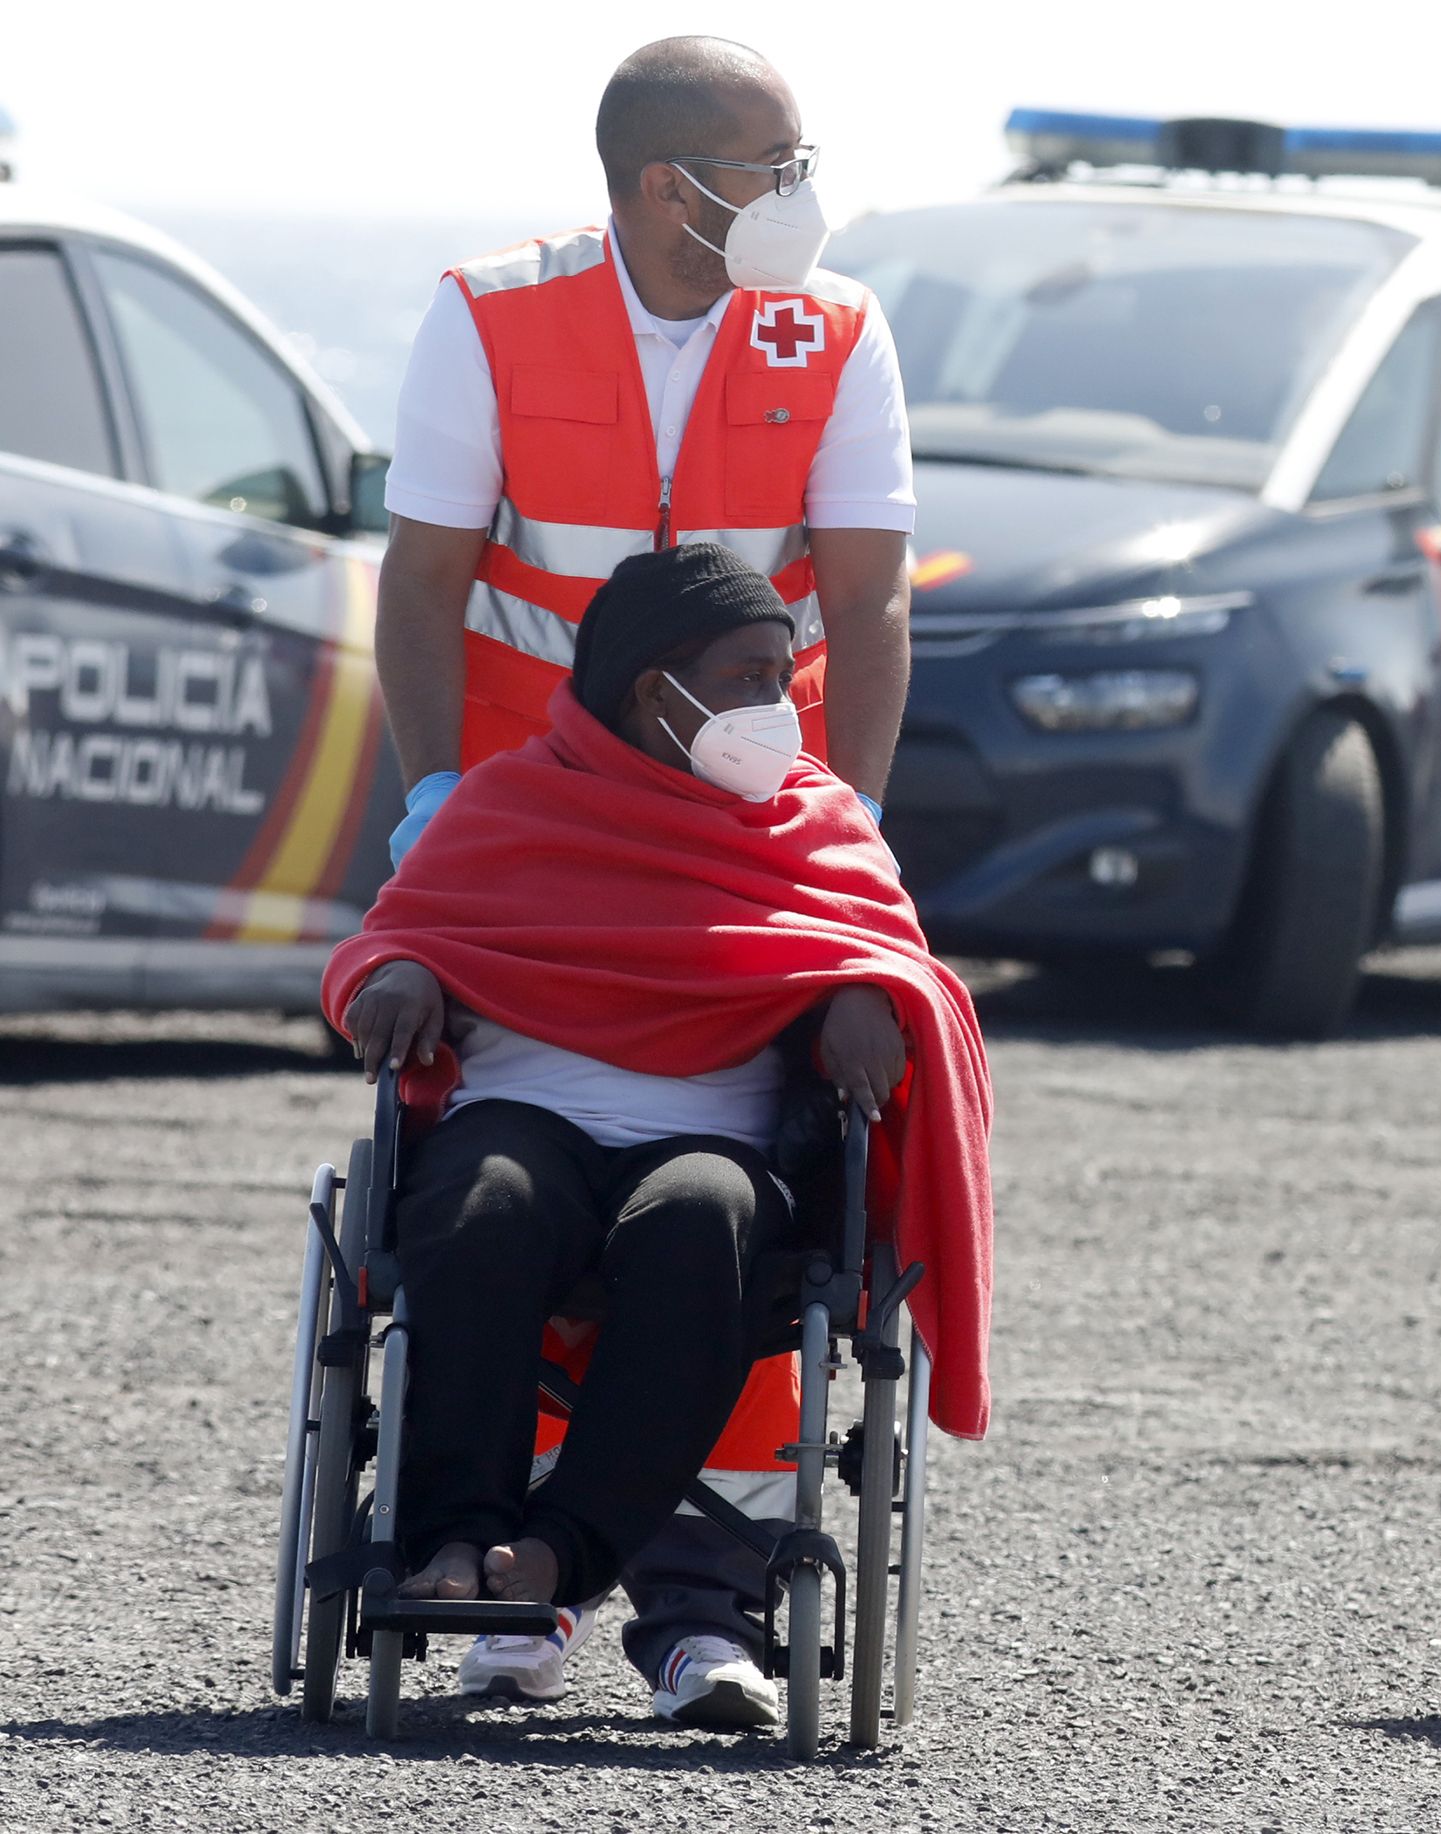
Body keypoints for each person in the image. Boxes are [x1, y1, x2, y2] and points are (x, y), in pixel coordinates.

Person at [370, 33, 915, 1721]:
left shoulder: (836, 332)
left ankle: (697, 1597)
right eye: (774, 161)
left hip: (754, 837)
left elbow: (872, 600)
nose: (802, 195)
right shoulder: (491, 315)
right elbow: (429, 580)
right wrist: (441, 807)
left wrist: (851, 842)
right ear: (663, 186)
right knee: (501, 1196)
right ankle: (502, 1584)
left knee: (722, 1213)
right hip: (538, 839)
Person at [326, 544, 992, 1688]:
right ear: (654, 688)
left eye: (783, 678)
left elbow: (892, 955)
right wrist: (396, 977)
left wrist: (865, 996)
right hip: (524, 1112)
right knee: (483, 1204)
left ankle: (553, 1551)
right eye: (747, 678)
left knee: (700, 1220)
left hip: (714, 1140)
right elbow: (393, 938)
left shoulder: (815, 819)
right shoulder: (510, 801)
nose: (776, 710)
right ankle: (443, 1537)